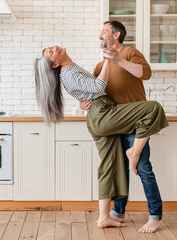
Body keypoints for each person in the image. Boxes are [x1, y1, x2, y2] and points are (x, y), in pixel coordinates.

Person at [34, 45, 168, 228]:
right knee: (153, 108)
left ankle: (105, 216)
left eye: (50, 48)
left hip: (103, 114)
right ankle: (134, 153)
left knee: (110, 166)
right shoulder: (69, 73)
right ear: (55, 64)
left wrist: (83, 99)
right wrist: (108, 58)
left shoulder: (71, 70)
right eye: (51, 52)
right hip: (103, 114)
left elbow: (91, 89)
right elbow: (98, 86)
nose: (54, 47)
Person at [80, 20, 163, 233]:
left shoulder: (130, 52)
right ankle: (118, 211)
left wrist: (118, 60)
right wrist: (83, 102)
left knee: (144, 168)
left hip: (137, 124)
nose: (100, 35)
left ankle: (155, 216)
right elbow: (92, 92)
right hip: (114, 123)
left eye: (104, 31)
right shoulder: (100, 66)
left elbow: (144, 73)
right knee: (119, 170)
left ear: (116, 35)